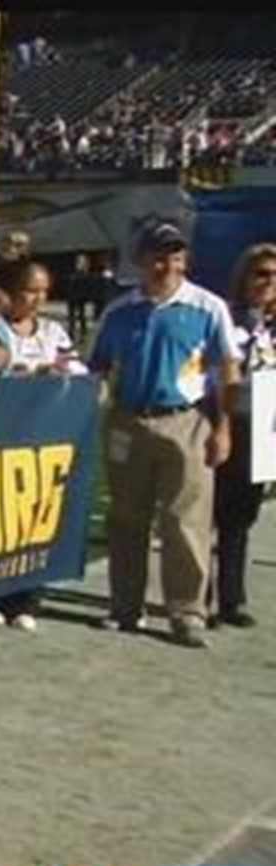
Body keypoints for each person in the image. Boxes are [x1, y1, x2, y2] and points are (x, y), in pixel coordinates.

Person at [88, 220, 242, 648]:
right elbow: (98, 366)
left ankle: (185, 611)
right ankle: (124, 606)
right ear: (140, 260)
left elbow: (227, 370)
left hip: (187, 420)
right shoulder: (120, 311)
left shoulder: (207, 307)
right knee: (126, 518)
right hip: (130, 419)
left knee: (186, 521)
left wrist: (223, 428)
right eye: (158, 255)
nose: (167, 264)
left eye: (175, 255)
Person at [0, 257, 83, 631]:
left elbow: (76, 369)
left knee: (35, 520)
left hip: (44, 437)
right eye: (30, 291)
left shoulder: (52, 332)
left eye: (44, 292)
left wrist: (57, 373)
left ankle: (26, 598)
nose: (38, 300)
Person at [209, 242, 276, 629]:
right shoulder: (226, 318)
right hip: (229, 416)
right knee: (213, 509)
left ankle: (232, 598)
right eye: (261, 273)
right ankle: (198, 597)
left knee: (242, 515)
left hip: (265, 420)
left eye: (273, 276)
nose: (267, 282)